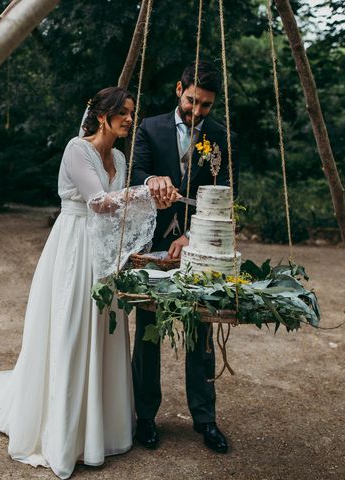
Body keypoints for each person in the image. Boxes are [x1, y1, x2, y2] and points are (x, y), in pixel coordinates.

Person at [0, 87, 147, 479]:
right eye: (124, 113)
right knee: (71, 330)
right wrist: (145, 193)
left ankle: (99, 430)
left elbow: (118, 212)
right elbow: (100, 202)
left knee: (103, 330)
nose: (130, 120)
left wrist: (136, 221)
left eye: (132, 113)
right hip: (73, 248)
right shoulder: (76, 149)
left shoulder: (118, 156)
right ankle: (64, 435)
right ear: (103, 115)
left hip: (102, 254)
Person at [130, 60, 238, 453]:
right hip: (152, 243)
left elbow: (226, 191)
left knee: (201, 329)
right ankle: (144, 417)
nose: (197, 112)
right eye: (193, 101)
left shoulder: (220, 135)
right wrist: (149, 181)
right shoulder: (148, 127)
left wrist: (192, 236)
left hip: (198, 246)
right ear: (179, 89)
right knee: (147, 329)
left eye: (206, 106)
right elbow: (135, 175)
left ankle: (205, 419)